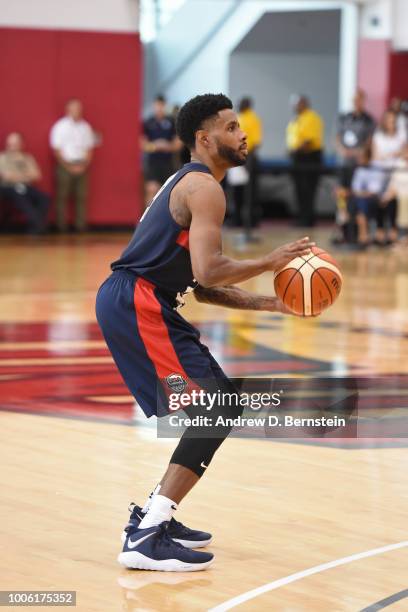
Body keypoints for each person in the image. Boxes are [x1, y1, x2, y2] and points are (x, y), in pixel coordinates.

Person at [95, 93, 314, 572]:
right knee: (213, 407)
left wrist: (271, 302)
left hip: (144, 301)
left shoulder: (193, 183)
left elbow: (200, 283)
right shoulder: (204, 188)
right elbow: (211, 270)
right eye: (232, 127)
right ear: (204, 137)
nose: (243, 134)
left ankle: (153, 516)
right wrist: (270, 262)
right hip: (138, 302)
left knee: (219, 405)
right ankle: (147, 534)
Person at [50, 99, 95, 232]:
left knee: (81, 196)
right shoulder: (60, 126)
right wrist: (68, 166)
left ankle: (80, 226)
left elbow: (89, 148)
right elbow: (57, 149)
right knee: (62, 196)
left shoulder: (85, 127)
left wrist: (84, 165)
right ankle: (61, 226)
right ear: (68, 110)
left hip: (82, 164)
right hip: (65, 165)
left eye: (78, 109)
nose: (77, 111)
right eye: (74, 109)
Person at [0, 132, 49, 234]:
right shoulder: (2, 158)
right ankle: (39, 226)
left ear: (21, 144)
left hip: (26, 187)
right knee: (22, 198)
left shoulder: (27, 158)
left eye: (15, 144)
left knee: (44, 198)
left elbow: (36, 175)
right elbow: (6, 176)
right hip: (9, 188)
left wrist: (18, 176)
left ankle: (35, 226)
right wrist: (25, 176)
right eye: (10, 144)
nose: (12, 147)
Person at [286, 95, 324, 227]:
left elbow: (309, 140)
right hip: (298, 157)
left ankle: (308, 219)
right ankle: (301, 217)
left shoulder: (312, 117)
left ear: (304, 103)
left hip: (309, 157)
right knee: (299, 190)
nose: (294, 106)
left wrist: (295, 150)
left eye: (297, 103)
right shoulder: (296, 119)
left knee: (308, 190)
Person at [229, 97, 262, 228]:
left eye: (241, 103)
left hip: (248, 156)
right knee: (237, 190)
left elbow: (255, 142)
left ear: (248, 104)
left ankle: (252, 220)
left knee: (250, 191)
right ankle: (237, 219)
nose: (238, 104)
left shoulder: (253, 119)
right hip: (236, 155)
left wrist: (246, 157)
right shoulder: (238, 117)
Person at [142, 95, 180, 206]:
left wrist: (167, 146)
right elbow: (143, 144)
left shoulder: (171, 122)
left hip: (168, 162)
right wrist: (155, 146)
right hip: (153, 162)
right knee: (151, 189)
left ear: (164, 106)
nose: (159, 108)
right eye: (157, 105)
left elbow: (177, 144)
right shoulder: (149, 123)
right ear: (154, 106)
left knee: (168, 192)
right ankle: (147, 220)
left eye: (161, 105)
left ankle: (166, 221)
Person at [350, 147, 387, 248]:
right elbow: (355, 189)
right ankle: (363, 236)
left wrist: (362, 193)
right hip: (361, 199)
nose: (359, 159)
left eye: (361, 157)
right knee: (358, 203)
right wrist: (362, 194)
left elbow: (375, 190)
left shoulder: (377, 167)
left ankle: (363, 236)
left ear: (368, 156)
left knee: (362, 203)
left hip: (376, 199)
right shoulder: (359, 169)